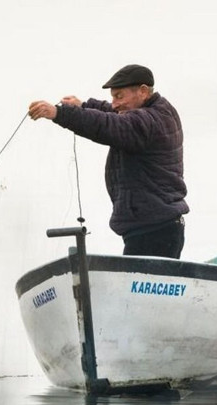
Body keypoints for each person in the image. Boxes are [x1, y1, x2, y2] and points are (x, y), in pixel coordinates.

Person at [28, 64, 189, 259]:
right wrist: (84, 106)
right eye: (113, 97)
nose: (114, 103)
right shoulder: (158, 110)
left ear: (143, 91)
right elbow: (113, 113)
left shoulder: (147, 121)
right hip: (157, 226)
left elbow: (107, 124)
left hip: (153, 231)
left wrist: (59, 113)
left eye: (119, 96)